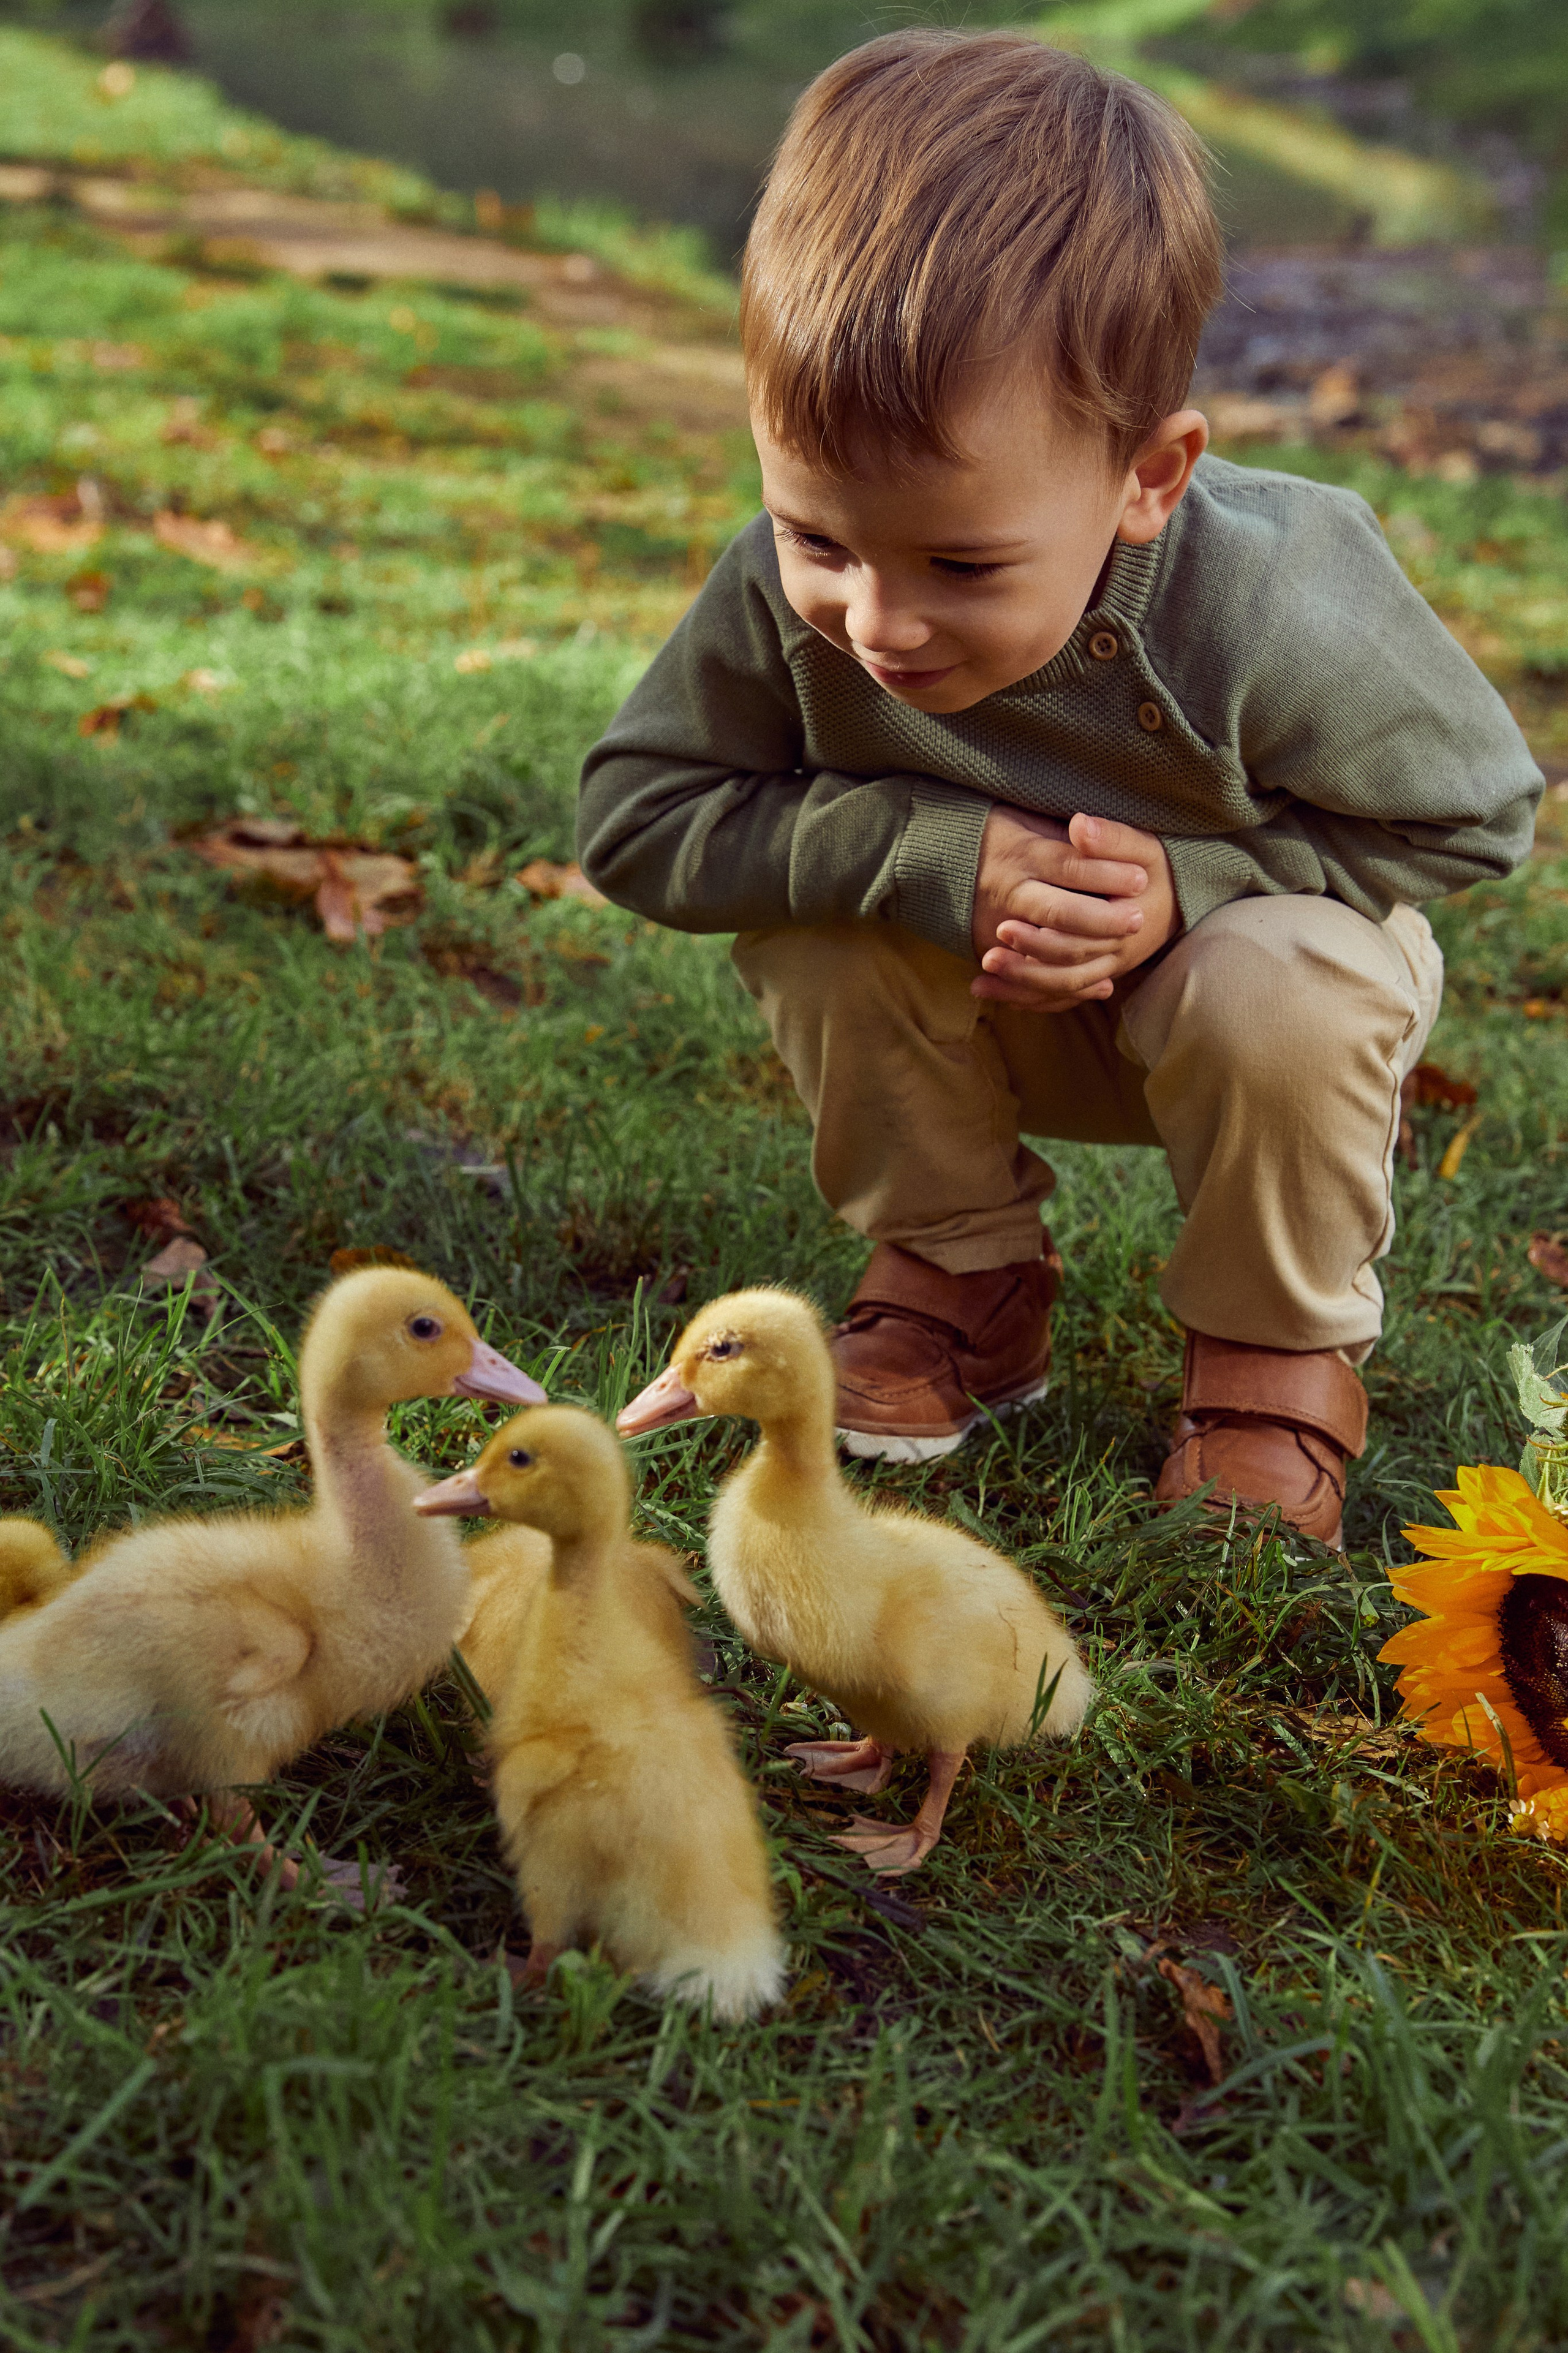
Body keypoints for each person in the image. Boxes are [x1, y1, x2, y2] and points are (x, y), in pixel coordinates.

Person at [577, 30, 1540, 1547]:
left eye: (962, 564)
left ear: (1146, 476)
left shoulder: (1275, 595)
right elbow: (636, 819)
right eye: (818, 537)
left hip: (1241, 1013)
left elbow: (1475, 815)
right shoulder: (776, 598)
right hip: (979, 1009)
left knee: (1283, 981)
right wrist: (919, 851)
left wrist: (1192, 892)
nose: (877, 622)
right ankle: (960, 1285)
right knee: (820, 916)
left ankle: (1268, 1365)